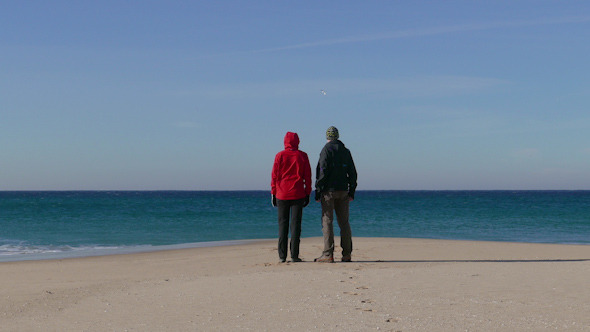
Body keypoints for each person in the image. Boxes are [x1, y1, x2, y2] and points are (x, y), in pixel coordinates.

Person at [314, 126, 357, 263]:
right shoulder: (345, 151)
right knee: (344, 223)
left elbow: (322, 171)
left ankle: (328, 254)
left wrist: (318, 190)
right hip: (343, 190)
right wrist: (352, 191)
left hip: (329, 191)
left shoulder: (326, 150)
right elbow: (353, 173)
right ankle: (347, 253)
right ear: (337, 136)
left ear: (327, 137)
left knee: (327, 221)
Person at [271, 132, 312, 263]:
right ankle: (294, 255)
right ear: (297, 141)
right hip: (298, 193)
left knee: (282, 225)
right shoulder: (303, 156)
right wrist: (308, 192)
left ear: (285, 141)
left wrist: (273, 192)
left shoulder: (280, 155)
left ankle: (282, 256)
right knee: (296, 225)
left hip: (282, 194)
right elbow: (307, 176)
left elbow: (274, 176)